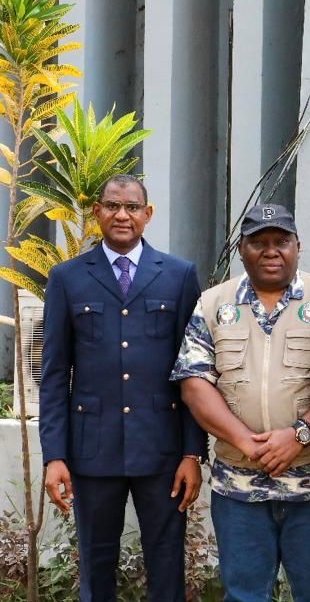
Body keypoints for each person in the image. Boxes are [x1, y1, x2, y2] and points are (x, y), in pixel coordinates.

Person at [38, 175, 205, 601]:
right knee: (95, 562)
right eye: (112, 206)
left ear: (148, 215)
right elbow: (55, 374)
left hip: (162, 450)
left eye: (132, 207)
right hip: (92, 449)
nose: (122, 215)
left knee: (166, 561)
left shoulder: (180, 275)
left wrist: (192, 453)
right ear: (96, 213)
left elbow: (194, 373)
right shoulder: (67, 278)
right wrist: (54, 455)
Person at [171, 204, 310, 601]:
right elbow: (195, 383)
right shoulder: (214, 303)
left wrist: (299, 435)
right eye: (259, 242)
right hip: (239, 488)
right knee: (244, 595)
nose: (271, 251)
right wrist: (247, 442)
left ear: (298, 246)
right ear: (241, 249)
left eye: (281, 241)